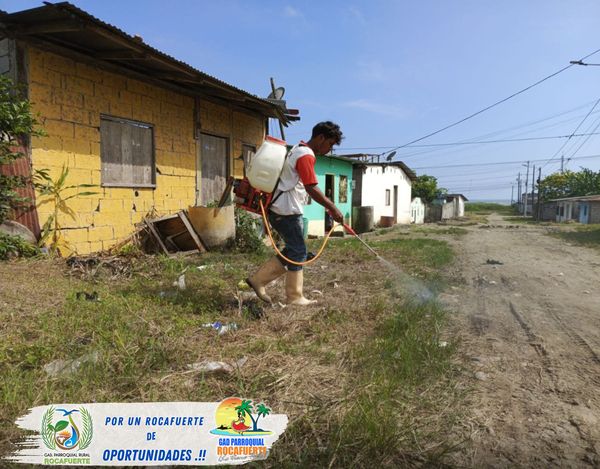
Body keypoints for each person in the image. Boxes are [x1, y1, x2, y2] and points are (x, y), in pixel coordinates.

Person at [246, 121, 344, 306]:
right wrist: (333, 208)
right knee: (298, 251)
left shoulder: (298, 150)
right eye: (330, 144)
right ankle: (294, 297)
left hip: (282, 209)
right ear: (320, 138)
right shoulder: (305, 155)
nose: (330, 149)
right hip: (286, 211)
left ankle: (258, 280)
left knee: (293, 251)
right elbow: (311, 187)